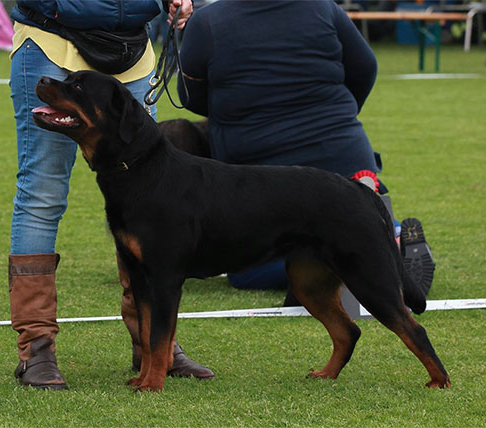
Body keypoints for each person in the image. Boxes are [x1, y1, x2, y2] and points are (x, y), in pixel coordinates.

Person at [0, 0, 213, 391]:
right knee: (42, 195)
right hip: (53, 43)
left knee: (151, 197)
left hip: (132, 49)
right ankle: (37, 350)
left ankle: (153, 346)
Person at [177, 0, 435, 298]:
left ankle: (334, 261)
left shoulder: (207, 22)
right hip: (343, 157)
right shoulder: (323, 8)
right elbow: (365, 68)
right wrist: (341, 118)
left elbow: (191, 97)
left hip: (262, 174)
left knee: (246, 271)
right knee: (350, 217)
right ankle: (395, 238)